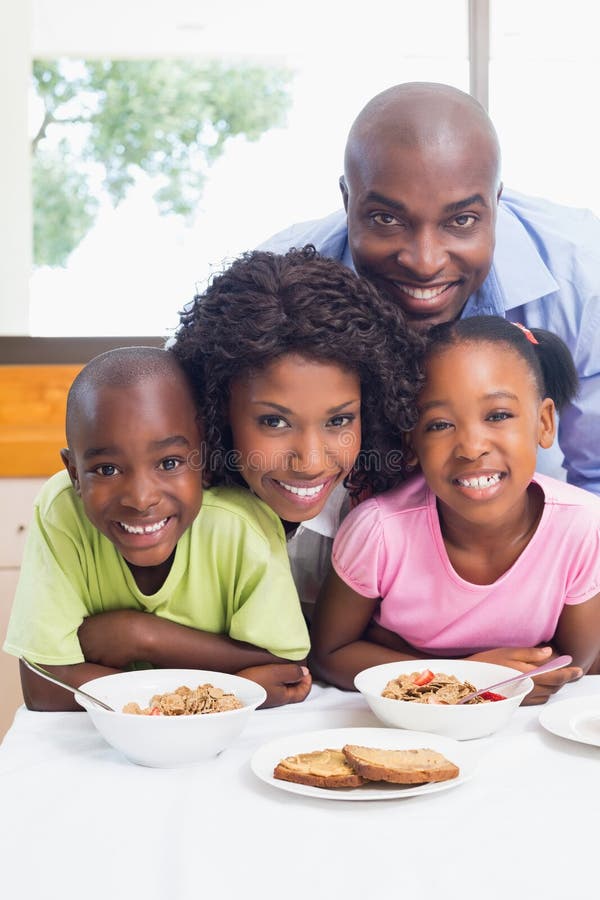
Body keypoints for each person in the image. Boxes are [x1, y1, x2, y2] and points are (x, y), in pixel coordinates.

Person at [260, 82, 600, 495]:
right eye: (386, 219)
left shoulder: (582, 277)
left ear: (497, 202)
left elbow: (596, 476)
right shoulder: (278, 284)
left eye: (461, 221)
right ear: (347, 200)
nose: (425, 263)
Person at [310, 316, 600, 704]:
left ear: (544, 423)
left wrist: (394, 650)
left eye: (498, 416)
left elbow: (575, 662)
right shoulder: (380, 531)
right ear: (411, 444)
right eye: (440, 424)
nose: (471, 447)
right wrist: (468, 678)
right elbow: (330, 655)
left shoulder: (580, 526)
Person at [4, 347, 312, 710]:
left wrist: (143, 637)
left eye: (169, 463)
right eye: (106, 469)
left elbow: (286, 672)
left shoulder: (242, 526)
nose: (140, 498)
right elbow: (44, 688)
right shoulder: (61, 512)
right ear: (74, 473)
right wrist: (223, 686)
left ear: (205, 462)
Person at [172, 245, 425, 620]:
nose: (310, 462)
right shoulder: (172, 507)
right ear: (218, 408)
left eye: (338, 421)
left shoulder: (389, 521)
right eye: (274, 422)